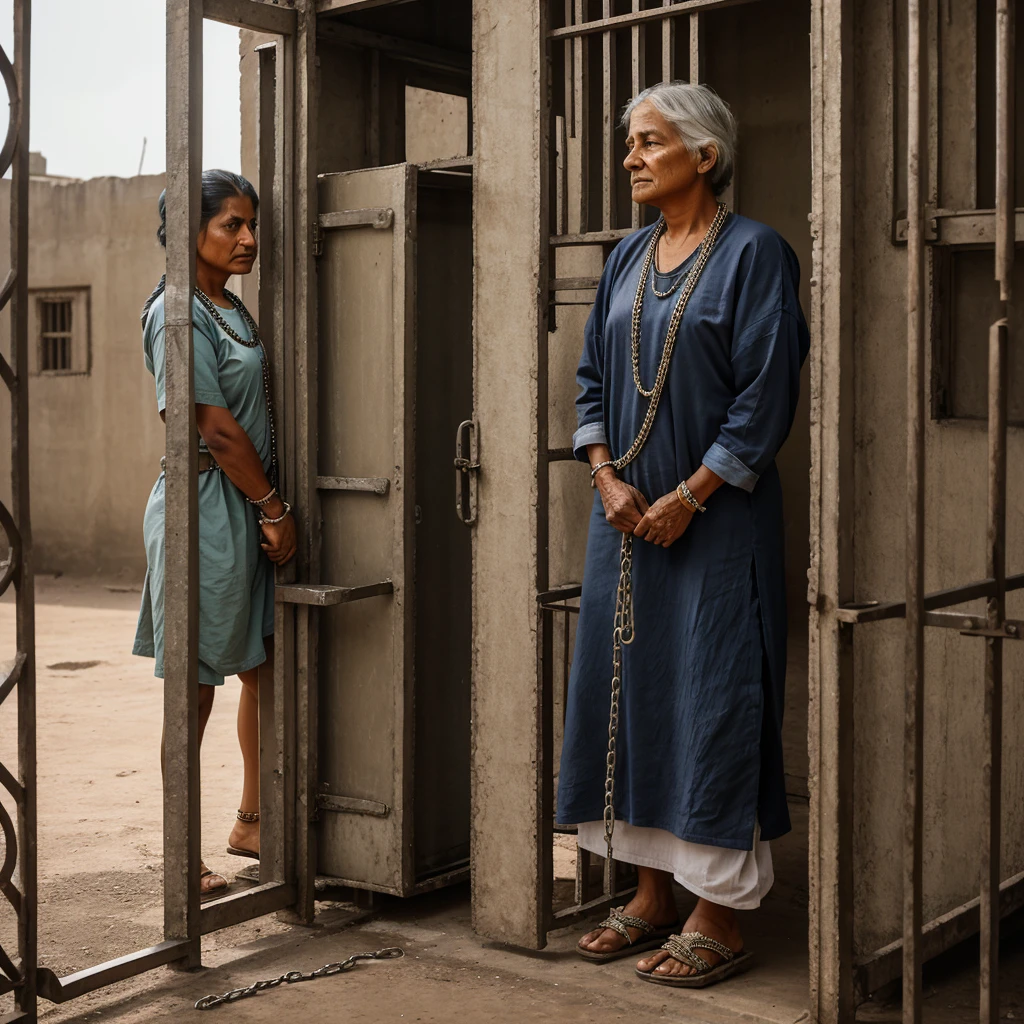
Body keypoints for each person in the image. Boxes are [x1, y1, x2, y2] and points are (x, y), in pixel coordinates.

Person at [558, 82, 809, 987]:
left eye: (651, 141)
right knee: (630, 693)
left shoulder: (756, 255)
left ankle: (720, 915)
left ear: (704, 156)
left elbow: (765, 397)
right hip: (623, 520)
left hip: (717, 522)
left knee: (714, 696)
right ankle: (651, 895)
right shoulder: (626, 257)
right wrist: (606, 477)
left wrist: (689, 495)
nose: (630, 155)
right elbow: (590, 378)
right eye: (630, 141)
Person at [133, 170, 297, 894]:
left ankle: (253, 822)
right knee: (194, 687)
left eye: (251, 224)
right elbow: (210, 425)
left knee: (262, 667)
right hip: (204, 506)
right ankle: (179, 853)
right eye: (231, 224)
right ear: (185, 230)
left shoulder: (227, 306)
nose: (249, 238)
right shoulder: (176, 309)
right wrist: (272, 507)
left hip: (241, 502)